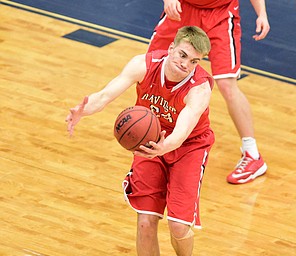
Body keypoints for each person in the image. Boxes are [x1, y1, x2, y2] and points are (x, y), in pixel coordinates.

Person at [66, 26, 215, 256]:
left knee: (178, 226)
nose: (186, 64)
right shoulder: (143, 65)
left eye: (194, 61)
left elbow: (182, 132)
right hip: (150, 142)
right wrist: (82, 111)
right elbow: (106, 95)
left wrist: (161, 148)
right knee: (146, 220)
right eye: (183, 55)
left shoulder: (200, 88)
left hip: (188, 147)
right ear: (171, 48)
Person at [147, 0, 270, 184]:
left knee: (227, 84)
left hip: (219, 13)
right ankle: (152, 135)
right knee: (153, 68)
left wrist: (262, 13)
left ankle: (252, 153)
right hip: (182, 8)